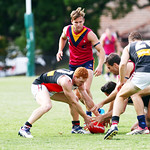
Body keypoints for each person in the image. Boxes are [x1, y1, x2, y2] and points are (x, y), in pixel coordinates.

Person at [18, 67, 99, 138]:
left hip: (52, 90)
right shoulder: (66, 81)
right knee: (47, 106)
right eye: (81, 81)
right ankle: (24, 128)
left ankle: (76, 127)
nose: (82, 84)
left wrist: (99, 116)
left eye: (84, 82)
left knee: (76, 99)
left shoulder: (79, 81)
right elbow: (73, 102)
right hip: (40, 85)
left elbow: (87, 99)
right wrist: (85, 116)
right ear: (75, 77)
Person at [56, 7, 105, 117]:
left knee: (86, 89)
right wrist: (60, 50)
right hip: (73, 65)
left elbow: (101, 50)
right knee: (77, 94)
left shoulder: (89, 34)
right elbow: (62, 38)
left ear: (83, 21)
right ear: (72, 21)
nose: (78, 24)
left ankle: (90, 116)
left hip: (87, 63)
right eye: (76, 22)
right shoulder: (67, 30)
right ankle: (95, 109)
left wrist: (100, 65)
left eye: (81, 22)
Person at [104, 31, 150, 140]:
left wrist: (120, 82)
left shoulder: (129, 47)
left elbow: (123, 64)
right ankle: (142, 125)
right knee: (137, 93)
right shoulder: (148, 43)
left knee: (121, 95)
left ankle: (114, 125)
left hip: (143, 74)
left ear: (130, 41)